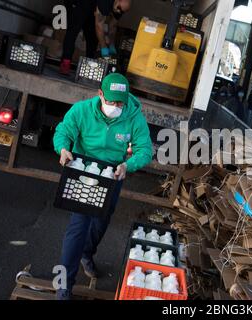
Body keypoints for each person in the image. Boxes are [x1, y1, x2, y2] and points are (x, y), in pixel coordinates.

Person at [53, 73, 153, 300]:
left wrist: (129, 164)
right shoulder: (82, 110)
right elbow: (63, 132)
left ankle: (87, 253)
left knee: (101, 221)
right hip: (84, 172)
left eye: (120, 102)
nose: (116, 106)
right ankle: (64, 285)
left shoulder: (134, 117)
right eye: (111, 101)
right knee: (79, 225)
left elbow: (144, 149)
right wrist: (63, 149)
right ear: (100, 94)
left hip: (112, 176)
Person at [59, 0, 132, 75]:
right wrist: (103, 47)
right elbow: (99, 24)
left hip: (92, 6)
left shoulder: (119, 8)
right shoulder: (106, 2)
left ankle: (88, 67)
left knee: (93, 37)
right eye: (119, 8)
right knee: (73, 31)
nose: (119, 11)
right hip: (79, 3)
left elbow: (113, 26)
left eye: (122, 11)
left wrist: (111, 45)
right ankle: (66, 63)